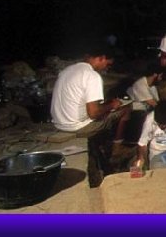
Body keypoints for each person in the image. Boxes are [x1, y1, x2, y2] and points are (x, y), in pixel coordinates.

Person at [50, 48, 132, 188]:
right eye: (108, 64)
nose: (107, 68)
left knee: (106, 109)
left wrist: (106, 106)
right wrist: (112, 105)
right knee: (126, 109)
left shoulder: (67, 70)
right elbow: (93, 113)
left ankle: (101, 149)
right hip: (78, 126)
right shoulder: (92, 76)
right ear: (101, 58)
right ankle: (117, 148)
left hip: (59, 123)